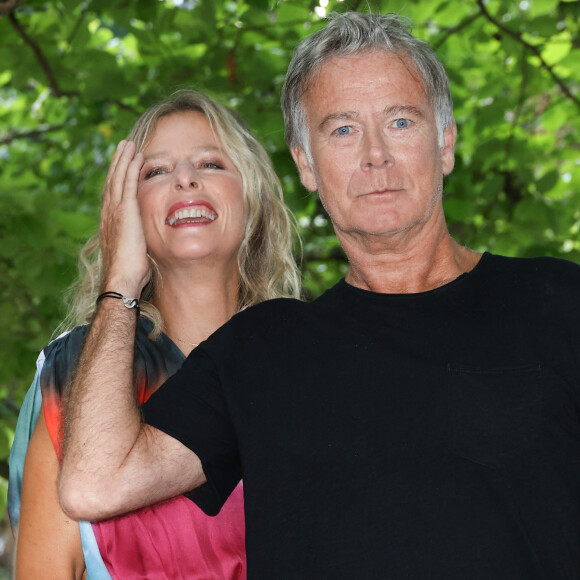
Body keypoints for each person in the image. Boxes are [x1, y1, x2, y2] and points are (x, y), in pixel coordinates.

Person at [59, 12, 580, 579]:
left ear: (446, 143)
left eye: (401, 122)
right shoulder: (263, 349)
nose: (375, 154)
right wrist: (122, 281)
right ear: (306, 165)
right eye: (343, 130)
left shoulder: (557, 299)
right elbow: (95, 482)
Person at [8, 89, 301, 579]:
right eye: (155, 172)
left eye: (210, 163)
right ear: (124, 213)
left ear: (253, 200)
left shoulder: (306, 361)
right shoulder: (76, 372)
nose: (185, 178)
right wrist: (120, 281)